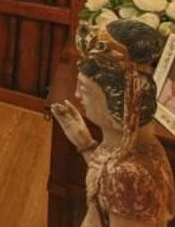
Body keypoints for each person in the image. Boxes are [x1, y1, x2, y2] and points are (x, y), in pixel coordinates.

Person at [52, 20, 175, 227]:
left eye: (84, 89)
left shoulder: (130, 175)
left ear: (119, 105)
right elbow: (105, 189)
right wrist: (85, 143)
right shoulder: (131, 150)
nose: (76, 95)